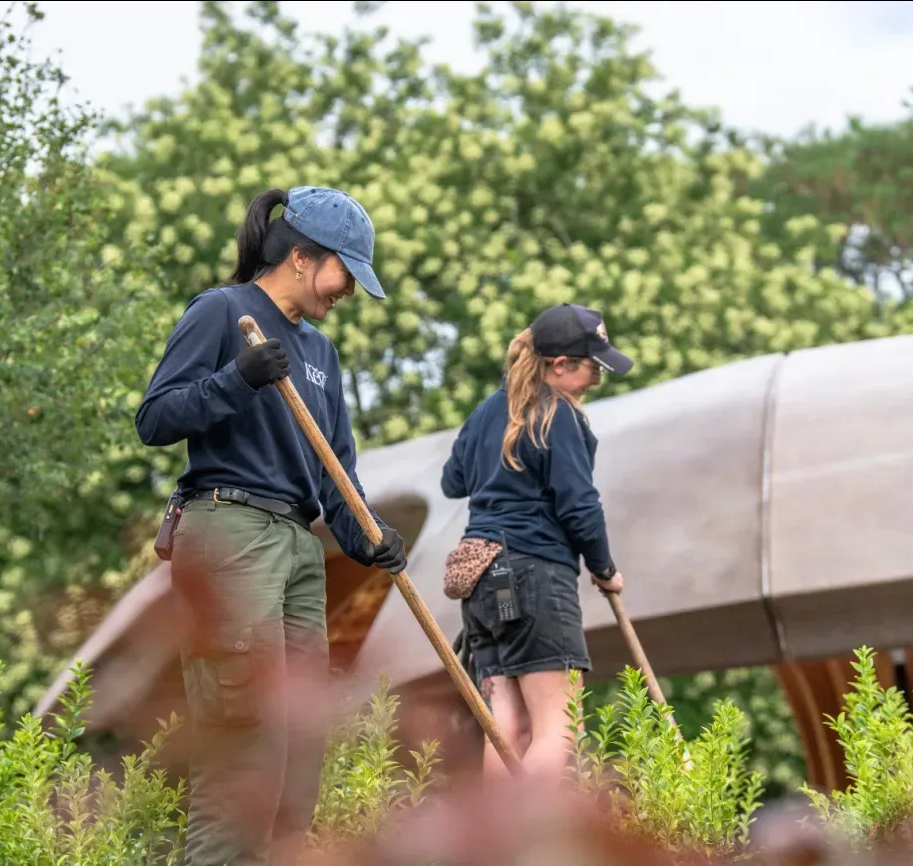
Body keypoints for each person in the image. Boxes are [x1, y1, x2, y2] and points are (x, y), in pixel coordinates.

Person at [136, 186, 408, 866]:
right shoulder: (223, 312)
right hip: (230, 533)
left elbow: (335, 472)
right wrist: (239, 379)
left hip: (296, 546)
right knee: (241, 757)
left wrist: (371, 538)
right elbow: (156, 419)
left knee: (297, 763)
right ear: (302, 257)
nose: (348, 291)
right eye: (346, 273)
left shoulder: (322, 354)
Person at [439, 302, 634, 779]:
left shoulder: (491, 409)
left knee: (509, 728)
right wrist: (605, 569)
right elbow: (579, 506)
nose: (596, 380)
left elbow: (453, 480)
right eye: (593, 367)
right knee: (559, 729)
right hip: (536, 577)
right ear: (561, 364)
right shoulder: (558, 416)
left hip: (485, 580)